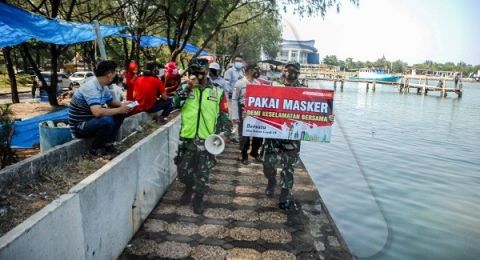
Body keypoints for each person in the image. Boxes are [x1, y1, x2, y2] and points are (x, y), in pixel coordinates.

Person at [262, 61, 329, 210]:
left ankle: (285, 193)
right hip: (273, 133)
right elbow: (260, 103)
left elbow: (315, 110)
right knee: (268, 164)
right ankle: (271, 181)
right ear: (283, 71)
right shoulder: (273, 86)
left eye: (293, 71)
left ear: (298, 73)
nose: (290, 73)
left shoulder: (303, 90)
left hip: (292, 134)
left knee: (288, 167)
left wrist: (327, 117)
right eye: (287, 70)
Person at [173, 58, 232, 214]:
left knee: (203, 173)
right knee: (183, 172)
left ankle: (198, 198)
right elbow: (174, 104)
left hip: (207, 141)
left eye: (200, 72)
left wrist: (226, 133)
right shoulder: (186, 88)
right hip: (187, 138)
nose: (197, 75)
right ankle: (188, 187)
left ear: (206, 72)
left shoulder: (217, 91)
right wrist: (187, 88)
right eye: (194, 72)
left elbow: (224, 114)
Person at [68, 60, 132, 156]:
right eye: (115, 72)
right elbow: (97, 112)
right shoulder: (91, 87)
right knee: (107, 120)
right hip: (80, 126)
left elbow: (111, 102)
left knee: (120, 114)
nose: (116, 75)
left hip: (91, 121)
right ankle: (95, 148)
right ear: (109, 75)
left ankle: (108, 143)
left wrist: (124, 104)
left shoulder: (102, 86)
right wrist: (119, 109)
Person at [231, 63, 263, 165]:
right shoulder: (239, 83)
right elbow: (234, 99)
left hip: (255, 111)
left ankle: (254, 152)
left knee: (258, 134)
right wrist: (235, 116)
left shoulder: (258, 83)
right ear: (249, 70)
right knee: (244, 135)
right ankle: (244, 154)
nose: (257, 71)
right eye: (255, 69)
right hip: (243, 110)